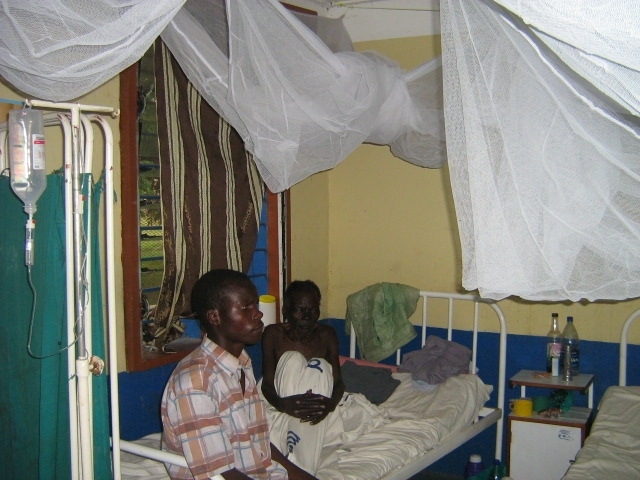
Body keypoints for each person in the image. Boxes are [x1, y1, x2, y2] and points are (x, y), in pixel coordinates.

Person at [161, 269, 317, 480]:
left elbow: (256, 442)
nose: (258, 314)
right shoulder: (195, 383)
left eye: (256, 305)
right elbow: (220, 473)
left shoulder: (241, 364)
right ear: (215, 317)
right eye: (245, 307)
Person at [260, 280, 345, 475]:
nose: (307, 316)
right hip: (281, 400)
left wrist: (329, 405)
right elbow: (267, 385)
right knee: (291, 359)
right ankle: (300, 456)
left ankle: (302, 462)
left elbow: (338, 383)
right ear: (286, 310)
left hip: (317, 404)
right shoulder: (273, 334)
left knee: (320, 366)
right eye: (300, 310)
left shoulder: (327, 334)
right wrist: (283, 405)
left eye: (313, 310)